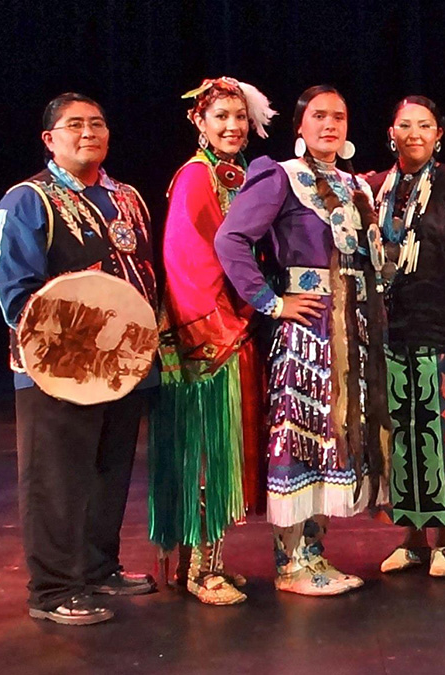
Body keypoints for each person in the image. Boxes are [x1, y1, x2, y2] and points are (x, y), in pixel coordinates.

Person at [0, 93, 157, 625]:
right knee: (56, 478)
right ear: (50, 139)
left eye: (98, 123)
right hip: (57, 370)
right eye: (74, 124)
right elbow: (11, 285)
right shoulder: (28, 200)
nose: (89, 132)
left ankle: (98, 568)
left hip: (124, 366)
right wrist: (65, 345)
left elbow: (145, 274)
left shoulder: (127, 198)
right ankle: (53, 588)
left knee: (109, 471)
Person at [216, 85, 389, 596]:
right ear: (300, 125)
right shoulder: (280, 176)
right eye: (318, 115)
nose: (329, 125)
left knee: (335, 435)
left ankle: (315, 552)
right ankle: (290, 562)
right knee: (300, 434)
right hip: (306, 331)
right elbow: (231, 239)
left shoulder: (354, 184)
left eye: (339, 115)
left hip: (349, 331)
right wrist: (273, 302)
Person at [147, 77, 276, 605]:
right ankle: (201, 570)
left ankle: (204, 564)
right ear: (198, 122)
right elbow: (187, 261)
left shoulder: (243, 174)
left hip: (235, 327)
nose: (231, 126)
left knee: (221, 453)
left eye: (239, 117)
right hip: (209, 335)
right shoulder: (197, 177)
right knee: (206, 453)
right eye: (220, 116)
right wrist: (225, 323)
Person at [367, 96, 445, 577]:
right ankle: (412, 538)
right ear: (391, 132)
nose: (414, 133)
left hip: (442, 328)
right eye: (405, 125)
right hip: (390, 329)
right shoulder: (376, 188)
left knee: (444, 432)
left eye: (425, 125)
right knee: (401, 434)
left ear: (440, 134)